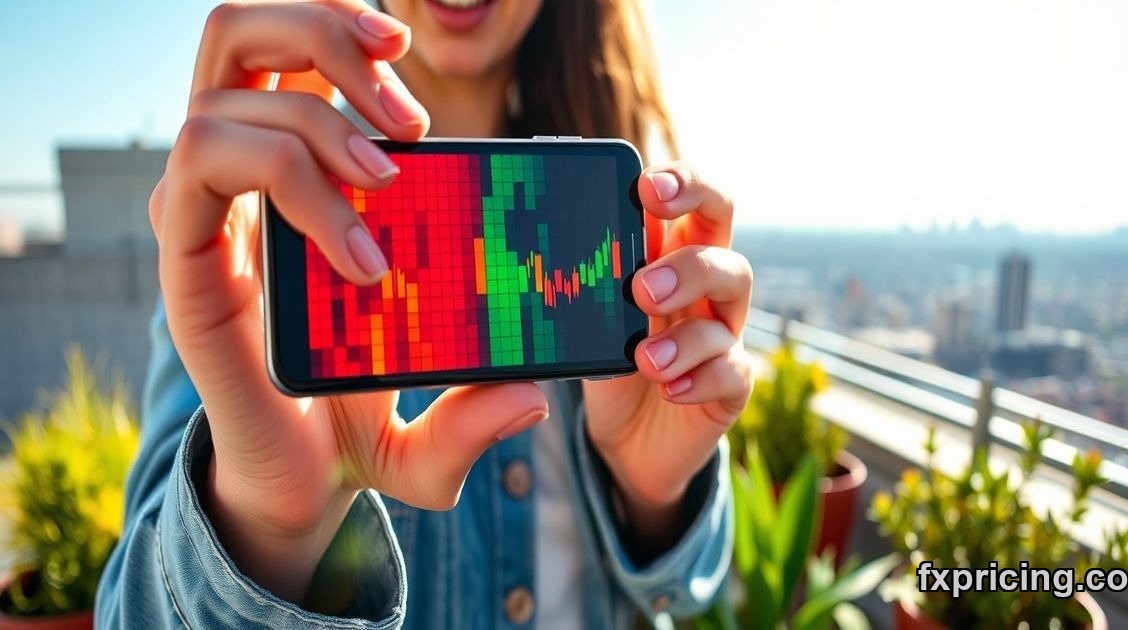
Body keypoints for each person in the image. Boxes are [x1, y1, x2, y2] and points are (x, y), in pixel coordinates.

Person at [97, 0, 753, 628]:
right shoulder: (254, 226)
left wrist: (653, 493)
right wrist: (264, 519)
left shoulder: (626, 212)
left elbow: (691, 592)